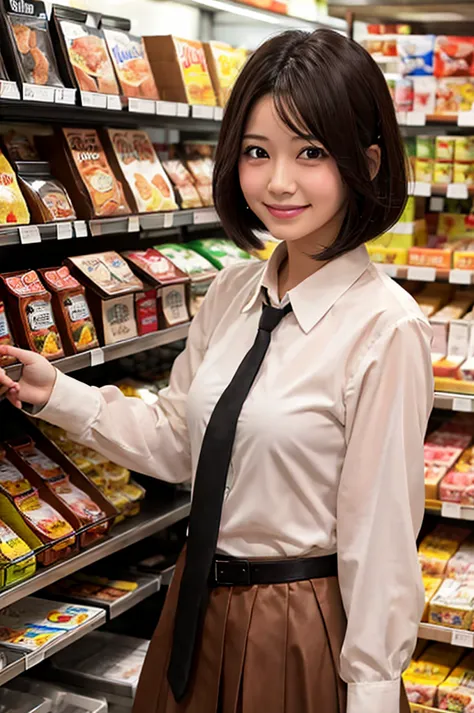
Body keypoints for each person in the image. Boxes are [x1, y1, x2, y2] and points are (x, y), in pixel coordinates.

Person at [0, 28, 433, 713]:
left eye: (311, 153)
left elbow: (381, 540)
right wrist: (55, 392)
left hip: (301, 627)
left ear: (368, 161)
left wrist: (374, 691)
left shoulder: (386, 326)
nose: (278, 181)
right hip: (194, 608)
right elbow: (179, 440)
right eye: (258, 152)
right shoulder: (231, 292)